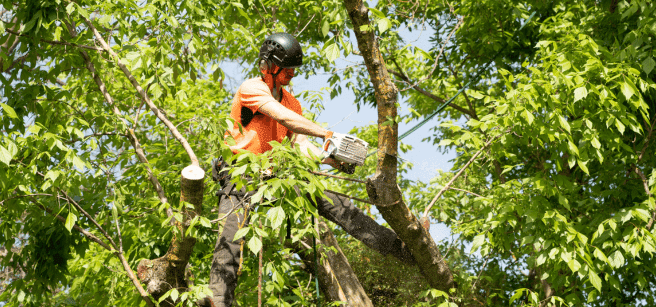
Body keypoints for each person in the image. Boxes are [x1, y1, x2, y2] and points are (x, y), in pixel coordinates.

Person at [206, 33, 413, 307]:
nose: (292, 73)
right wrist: (325, 132)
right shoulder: (252, 88)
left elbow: (301, 146)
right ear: (268, 66)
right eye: (287, 68)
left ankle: (403, 249)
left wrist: (330, 159)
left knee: (339, 205)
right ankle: (218, 302)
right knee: (231, 238)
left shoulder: (293, 102)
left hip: (272, 180)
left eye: (294, 68)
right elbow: (281, 116)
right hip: (239, 175)